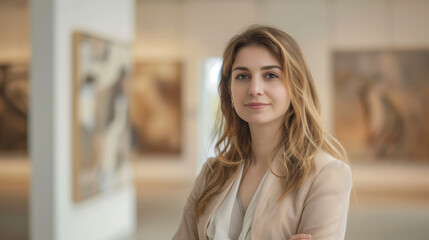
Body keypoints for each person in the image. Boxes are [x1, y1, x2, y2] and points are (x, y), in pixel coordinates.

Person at [173, 25, 352, 240]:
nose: (255, 88)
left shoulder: (326, 174)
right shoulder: (212, 173)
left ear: (295, 86)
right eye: (242, 76)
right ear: (229, 90)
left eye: (270, 75)